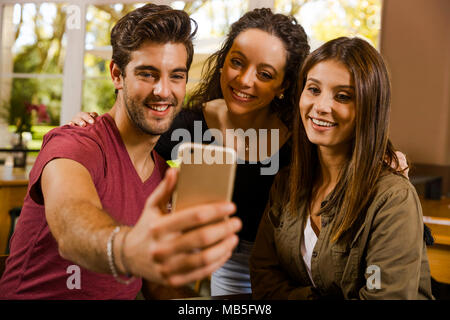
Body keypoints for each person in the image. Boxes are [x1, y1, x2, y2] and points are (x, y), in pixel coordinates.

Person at [0, 4, 242, 300]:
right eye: (148, 74)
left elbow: (157, 282)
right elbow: (72, 223)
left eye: (176, 76)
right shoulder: (75, 145)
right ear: (117, 74)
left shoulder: (163, 178)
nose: (163, 91)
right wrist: (126, 250)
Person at [68, 8, 310, 296]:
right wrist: (91, 125)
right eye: (237, 62)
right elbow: (123, 147)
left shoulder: (303, 141)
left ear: (283, 85)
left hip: (292, 275)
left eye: (265, 73)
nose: (245, 80)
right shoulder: (186, 124)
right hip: (226, 274)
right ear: (223, 63)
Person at [250, 37, 434, 299]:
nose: (321, 107)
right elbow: (263, 278)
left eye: (343, 96)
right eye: (313, 89)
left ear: (369, 108)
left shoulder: (392, 198)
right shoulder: (286, 183)